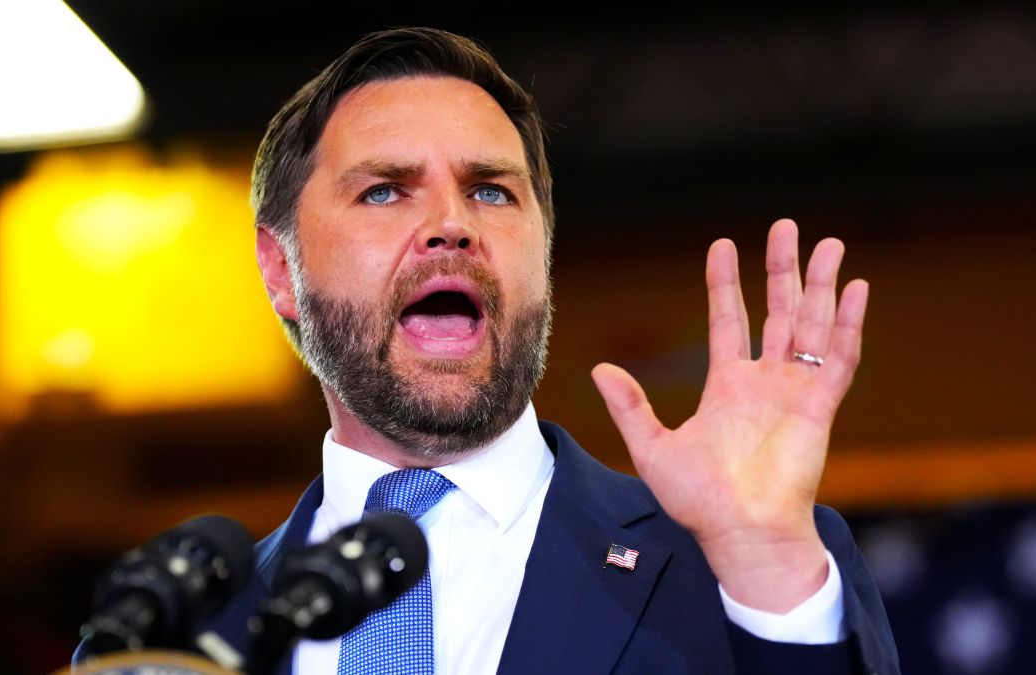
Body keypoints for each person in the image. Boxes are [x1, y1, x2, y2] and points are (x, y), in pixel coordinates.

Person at [82, 26, 900, 674]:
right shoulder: (174, 645)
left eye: (489, 190)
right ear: (280, 269)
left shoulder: (731, 567)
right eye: (384, 189)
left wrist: (764, 570)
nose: (451, 222)